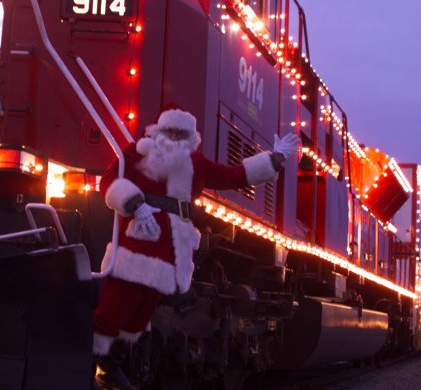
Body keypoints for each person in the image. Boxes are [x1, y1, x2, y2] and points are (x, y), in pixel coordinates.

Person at [93, 106, 300, 389]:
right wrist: (134, 204)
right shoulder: (135, 153)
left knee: (142, 311)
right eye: (171, 132)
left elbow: (234, 176)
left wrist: (274, 159)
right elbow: (108, 181)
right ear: (158, 131)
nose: (175, 138)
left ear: (191, 138)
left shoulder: (197, 164)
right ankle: (97, 362)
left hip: (171, 248)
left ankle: (111, 366)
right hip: (139, 237)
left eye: (182, 134)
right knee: (119, 301)